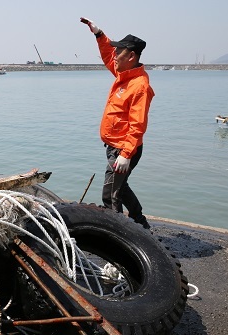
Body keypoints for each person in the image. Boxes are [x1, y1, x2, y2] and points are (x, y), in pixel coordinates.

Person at [80, 17, 154, 229]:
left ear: (131, 56)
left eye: (119, 52)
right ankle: (141, 224)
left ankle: (120, 237)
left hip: (123, 150)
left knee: (111, 196)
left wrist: (126, 154)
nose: (114, 56)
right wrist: (98, 34)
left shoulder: (140, 86)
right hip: (115, 147)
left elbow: (138, 124)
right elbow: (107, 55)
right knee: (120, 189)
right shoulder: (124, 75)